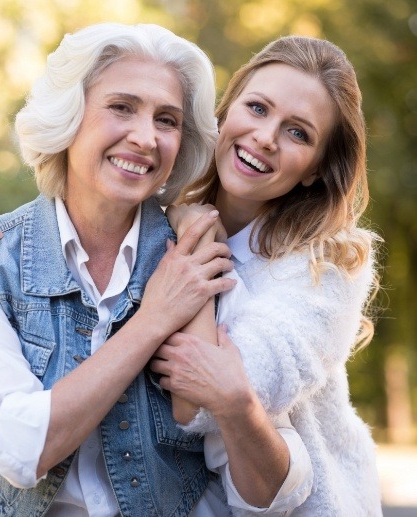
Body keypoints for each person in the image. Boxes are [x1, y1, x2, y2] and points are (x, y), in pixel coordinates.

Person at [0, 24, 314, 516]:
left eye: (167, 120)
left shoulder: (200, 259)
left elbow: (266, 487)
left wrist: (239, 407)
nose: (145, 138)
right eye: (121, 107)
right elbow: (19, 452)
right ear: (69, 115)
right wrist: (153, 321)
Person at [150, 36, 383, 515]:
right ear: (225, 111)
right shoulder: (158, 212)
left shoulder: (331, 265)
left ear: (316, 171)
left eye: (298, 133)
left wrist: (203, 240)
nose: (265, 137)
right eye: (257, 108)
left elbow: (205, 401)